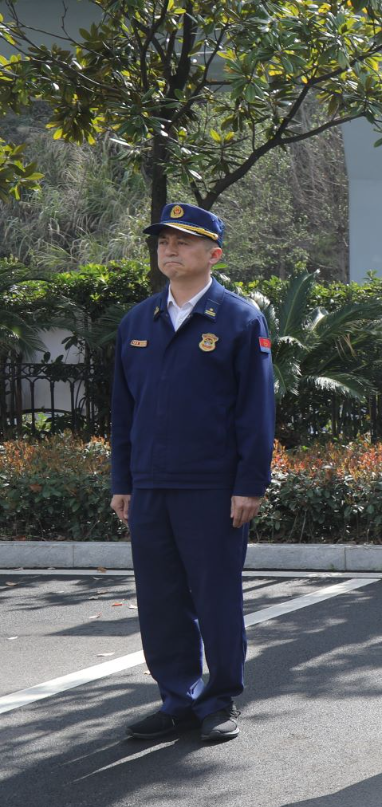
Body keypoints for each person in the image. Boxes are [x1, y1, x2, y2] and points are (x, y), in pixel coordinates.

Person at [110, 202, 276, 743]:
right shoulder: (138, 322)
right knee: (159, 598)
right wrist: (123, 482)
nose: (170, 250)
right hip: (152, 485)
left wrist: (250, 483)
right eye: (163, 241)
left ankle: (220, 697)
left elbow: (255, 412)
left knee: (215, 595)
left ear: (214, 254)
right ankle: (176, 697)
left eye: (183, 241)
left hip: (212, 486)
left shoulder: (238, 318)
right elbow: (123, 412)